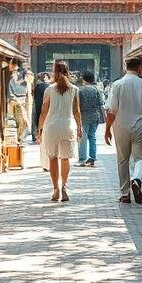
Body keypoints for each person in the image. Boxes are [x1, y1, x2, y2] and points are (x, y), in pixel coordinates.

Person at [105, 57, 142, 204]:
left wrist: (107, 130)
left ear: (125, 67)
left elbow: (111, 111)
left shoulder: (117, 85)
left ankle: (125, 194)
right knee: (141, 158)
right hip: (140, 125)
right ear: (139, 68)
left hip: (120, 126)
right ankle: (136, 180)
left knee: (122, 160)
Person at [37, 61, 81, 202]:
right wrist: (79, 128)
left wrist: (39, 129)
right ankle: (64, 187)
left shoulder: (49, 90)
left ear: (54, 73)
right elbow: (76, 111)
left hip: (51, 127)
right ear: (68, 71)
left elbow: (44, 112)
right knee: (65, 159)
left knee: (53, 158)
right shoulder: (74, 89)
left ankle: (55, 189)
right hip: (68, 126)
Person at [76, 71, 104, 167]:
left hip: (83, 116)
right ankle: (92, 157)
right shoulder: (97, 89)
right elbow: (101, 102)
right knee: (92, 137)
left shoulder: (80, 90)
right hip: (95, 115)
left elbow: (77, 105)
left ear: (83, 79)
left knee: (83, 137)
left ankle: (82, 159)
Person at [7, 59, 29, 142]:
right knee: (22, 121)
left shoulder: (23, 76)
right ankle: (19, 138)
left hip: (23, 101)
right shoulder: (13, 79)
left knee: (24, 122)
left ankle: (20, 138)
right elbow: (11, 92)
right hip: (17, 102)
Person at [33, 70, 51, 170]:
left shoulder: (38, 87)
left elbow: (37, 104)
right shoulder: (51, 88)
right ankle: (48, 163)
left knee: (43, 142)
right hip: (51, 117)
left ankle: (45, 163)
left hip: (41, 115)